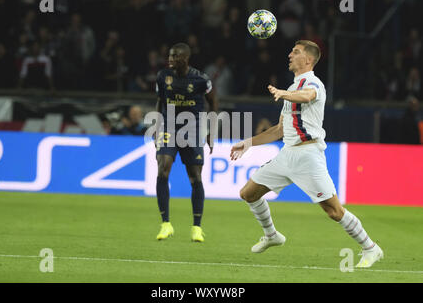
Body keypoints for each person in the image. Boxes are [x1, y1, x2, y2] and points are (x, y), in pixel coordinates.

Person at [230, 40, 383, 268]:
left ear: (308, 59)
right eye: (291, 50)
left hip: (308, 155)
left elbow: (308, 96)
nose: (290, 54)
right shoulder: (292, 89)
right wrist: (248, 144)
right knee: (249, 193)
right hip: (287, 154)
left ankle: (371, 248)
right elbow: (280, 129)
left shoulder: (313, 83)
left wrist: (283, 93)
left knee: (333, 211)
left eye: (296, 51)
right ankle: (272, 236)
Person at [154, 43, 218, 242]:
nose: (170, 59)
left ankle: (196, 228)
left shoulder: (200, 79)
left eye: (175, 57)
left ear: (186, 58)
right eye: (170, 56)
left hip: (193, 129)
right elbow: (160, 101)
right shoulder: (163, 76)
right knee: (163, 168)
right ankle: (166, 224)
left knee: (195, 178)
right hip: (169, 128)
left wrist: (210, 131)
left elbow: (213, 103)